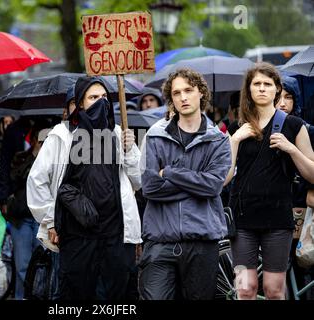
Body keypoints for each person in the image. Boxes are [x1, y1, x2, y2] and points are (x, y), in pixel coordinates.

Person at [27, 76, 142, 300]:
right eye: (93, 97)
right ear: (80, 104)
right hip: (77, 236)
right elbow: (37, 180)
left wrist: (130, 151)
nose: (101, 102)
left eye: (104, 97)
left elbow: (138, 182)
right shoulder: (61, 136)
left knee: (116, 296)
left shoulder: (118, 133)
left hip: (115, 236)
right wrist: (51, 219)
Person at [139, 68, 231, 300]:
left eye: (188, 90)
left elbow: (212, 187)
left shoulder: (218, 139)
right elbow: (150, 187)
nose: (183, 97)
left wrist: (170, 172)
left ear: (200, 93)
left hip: (202, 240)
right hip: (160, 240)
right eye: (177, 92)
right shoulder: (156, 134)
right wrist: (196, 183)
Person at [225, 62, 314, 300]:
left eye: (268, 84)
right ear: (249, 90)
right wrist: (234, 141)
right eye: (257, 84)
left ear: (277, 90)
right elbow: (224, 178)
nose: (262, 89)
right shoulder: (237, 128)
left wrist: (292, 149)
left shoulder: (294, 126)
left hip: (277, 220)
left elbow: (312, 174)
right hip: (243, 220)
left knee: (274, 290)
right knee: (245, 288)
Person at [5, 121, 50, 300]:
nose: (44, 145)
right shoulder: (21, 158)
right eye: (40, 141)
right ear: (33, 141)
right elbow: (15, 178)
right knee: (22, 265)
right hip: (21, 218)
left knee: (41, 265)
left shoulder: (55, 161)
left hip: (43, 219)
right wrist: (35, 156)